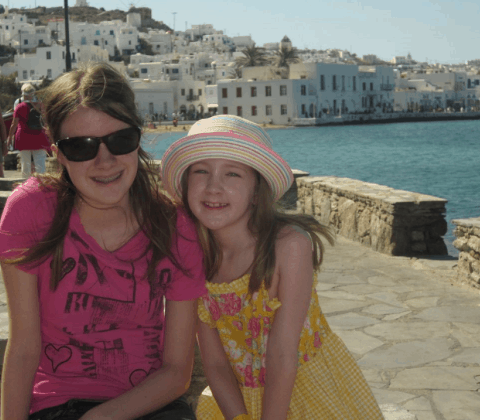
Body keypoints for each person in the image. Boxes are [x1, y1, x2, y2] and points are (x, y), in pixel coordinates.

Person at [0, 63, 207, 420]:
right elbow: (25, 348)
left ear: (138, 137)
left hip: (149, 404)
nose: (104, 161)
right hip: (58, 405)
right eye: (80, 147)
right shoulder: (31, 210)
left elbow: (176, 372)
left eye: (120, 140)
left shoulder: (174, 225)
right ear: (57, 153)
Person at [161, 115, 384, 420]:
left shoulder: (289, 247)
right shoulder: (193, 258)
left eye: (232, 174)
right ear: (187, 185)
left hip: (305, 393)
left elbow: (282, 355)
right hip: (236, 400)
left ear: (256, 191)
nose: (214, 187)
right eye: (201, 171)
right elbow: (215, 364)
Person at [7, 83, 50, 178]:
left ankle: (26, 186)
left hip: (23, 136)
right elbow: (45, 121)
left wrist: (10, 137)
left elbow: (14, 124)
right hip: (39, 136)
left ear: (23, 94)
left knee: (25, 164)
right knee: (40, 164)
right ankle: (41, 186)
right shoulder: (40, 104)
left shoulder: (19, 106)